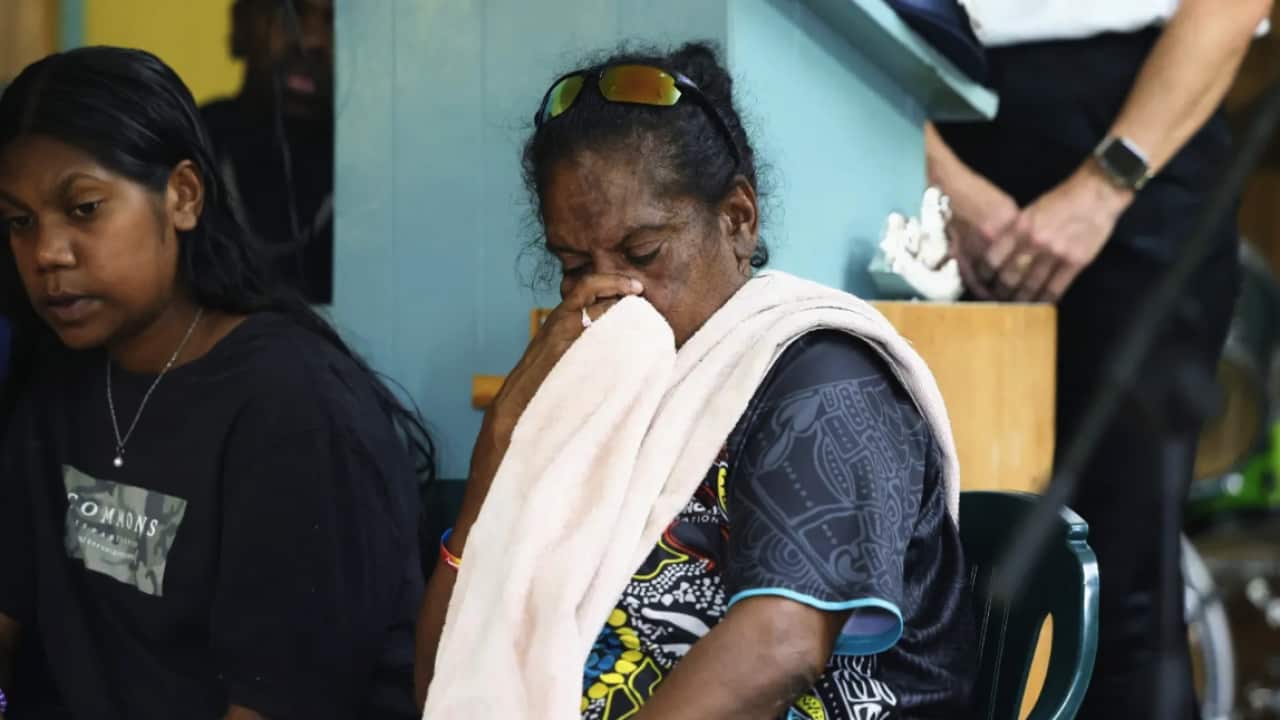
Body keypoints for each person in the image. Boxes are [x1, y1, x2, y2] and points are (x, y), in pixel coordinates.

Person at [416, 42, 976, 719]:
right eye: (572, 265)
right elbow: (453, 678)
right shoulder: (609, 400)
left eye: (643, 254)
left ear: (738, 220)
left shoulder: (820, 376)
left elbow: (780, 645)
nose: (610, 291)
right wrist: (498, 459)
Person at [0, 47, 431, 720]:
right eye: (19, 222)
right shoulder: (57, 385)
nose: (47, 252)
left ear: (183, 196)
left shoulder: (294, 406)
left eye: (83, 209)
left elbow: (277, 702)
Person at [926, 0, 1274, 717]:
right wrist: (945, 180)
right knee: (920, 561)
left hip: (1138, 125)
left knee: (1123, 575)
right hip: (912, 94)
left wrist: (1104, 185)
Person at [202, 0, 334, 303]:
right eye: (292, 12)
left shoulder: (385, 170)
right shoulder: (186, 144)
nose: (311, 40)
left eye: (333, 21)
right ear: (241, 23)